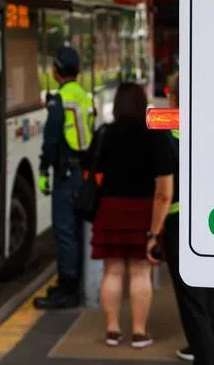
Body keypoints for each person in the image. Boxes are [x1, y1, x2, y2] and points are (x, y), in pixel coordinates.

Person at [149, 72, 214, 365]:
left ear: (172, 97)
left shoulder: (165, 134)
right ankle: (213, 356)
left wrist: (152, 235)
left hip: (180, 226)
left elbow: (163, 194)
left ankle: (205, 359)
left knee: (193, 305)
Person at [90, 82, 174, 347]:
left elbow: (92, 171)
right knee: (140, 272)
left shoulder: (105, 133)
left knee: (112, 271)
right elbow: (164, 190)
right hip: (142, 210)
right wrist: (154, 232)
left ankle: (112, 331)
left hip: (110, 209)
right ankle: (139, 332)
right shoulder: (155, 135)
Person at [34, 46, 97, 309]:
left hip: (66, 175)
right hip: (82, 173)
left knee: (65, 230)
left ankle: (67, 290)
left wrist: (43, 170)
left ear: (56, 71)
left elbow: (51, 141)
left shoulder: (59, 100)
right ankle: (76, 283)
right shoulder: (85, 97)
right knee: (79, 231)